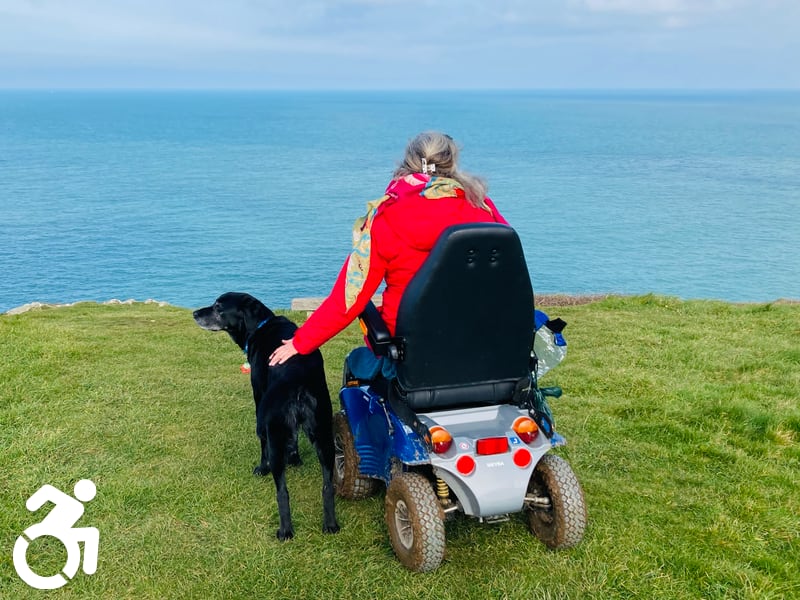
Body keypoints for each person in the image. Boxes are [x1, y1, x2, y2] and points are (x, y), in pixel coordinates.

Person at [269, 131, 508, 366]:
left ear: (406, 163)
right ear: (452, 163)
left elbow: (349, 296)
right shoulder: (482, 207)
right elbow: (509, 265)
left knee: (358, 361)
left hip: (411, 350)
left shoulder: (384, 218)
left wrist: (300, 343)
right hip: (478, 341)